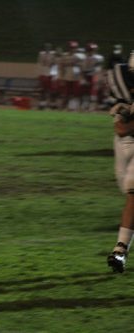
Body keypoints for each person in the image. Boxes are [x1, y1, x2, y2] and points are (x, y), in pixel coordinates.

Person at [106, 51, 134, 273]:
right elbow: (121, 129)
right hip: (126, 144)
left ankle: (120, 249)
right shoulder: (122, 80)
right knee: (127, 188)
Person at [57, 40, 84, 111]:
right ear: (68, 48)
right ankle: (62, 107)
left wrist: (82, 78)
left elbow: (82, 68)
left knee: (75, 94)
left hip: (76, 77)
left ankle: (72, 108)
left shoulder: (79, 56)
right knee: (65, 93)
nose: (73, 49)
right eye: (72, 48)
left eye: (75, 48)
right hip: (66, 77)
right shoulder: (64, 56)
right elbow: (61, 68)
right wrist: (61, 78)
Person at [81, 43, 104, 111]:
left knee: (93, 92)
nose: (92, 51)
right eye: (90, 50)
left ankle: (92, 107)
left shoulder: (98, 58)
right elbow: (82, 69)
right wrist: (82, 78)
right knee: (85, 91)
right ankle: (85, 106)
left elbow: (99, 70)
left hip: (93, 75)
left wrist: (98, 79)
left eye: (93, 50)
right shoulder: (84, 58)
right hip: (86, 75)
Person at [36, 43, 58, 110]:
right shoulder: (41, 54)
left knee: (52, 90)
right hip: (43, 72)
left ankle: (52, 104)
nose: (47, 48)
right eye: (46, 47)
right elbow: (39, 64)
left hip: (50, 73)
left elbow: (55, 64)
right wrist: (39, 74)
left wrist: (54, 75)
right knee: (43, 89)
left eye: (49, 47)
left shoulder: (53, 54)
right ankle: (42, 104)